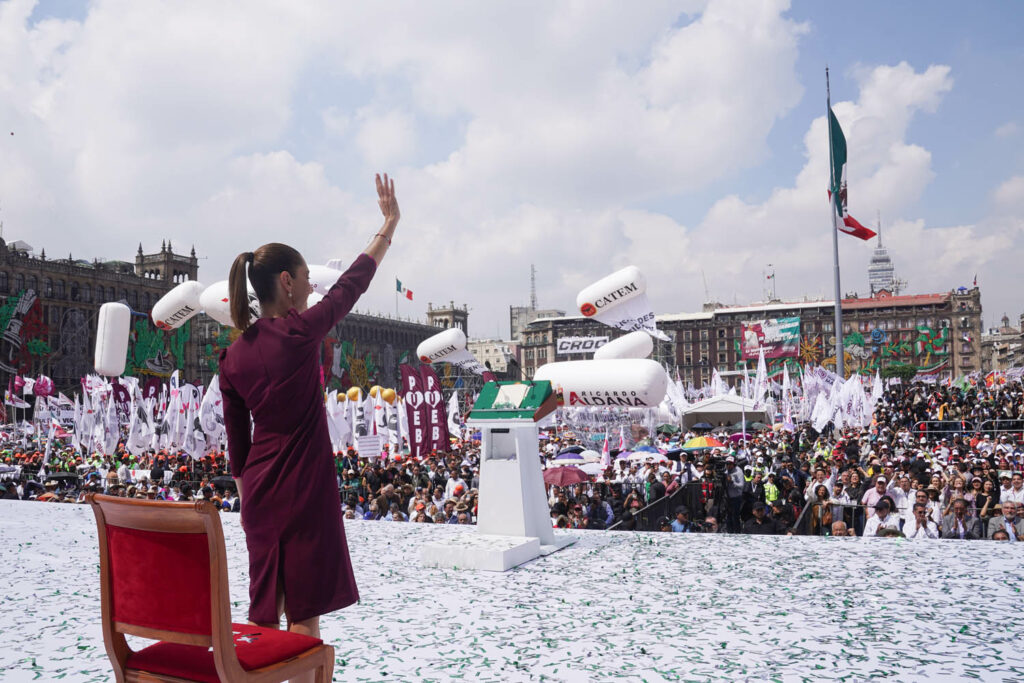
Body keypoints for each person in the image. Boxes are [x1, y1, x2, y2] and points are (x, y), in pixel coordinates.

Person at [219, 173, 399, 676]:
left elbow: (238, 449)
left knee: (265, 614)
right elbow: (351, 287)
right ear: (287, 282)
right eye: (305, 279)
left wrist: (254, 496)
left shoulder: (231, 357)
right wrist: (388, 226)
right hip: (304, 487)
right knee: (305, 617)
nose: (311, 288)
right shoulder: (299, 333)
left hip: (258, 492)